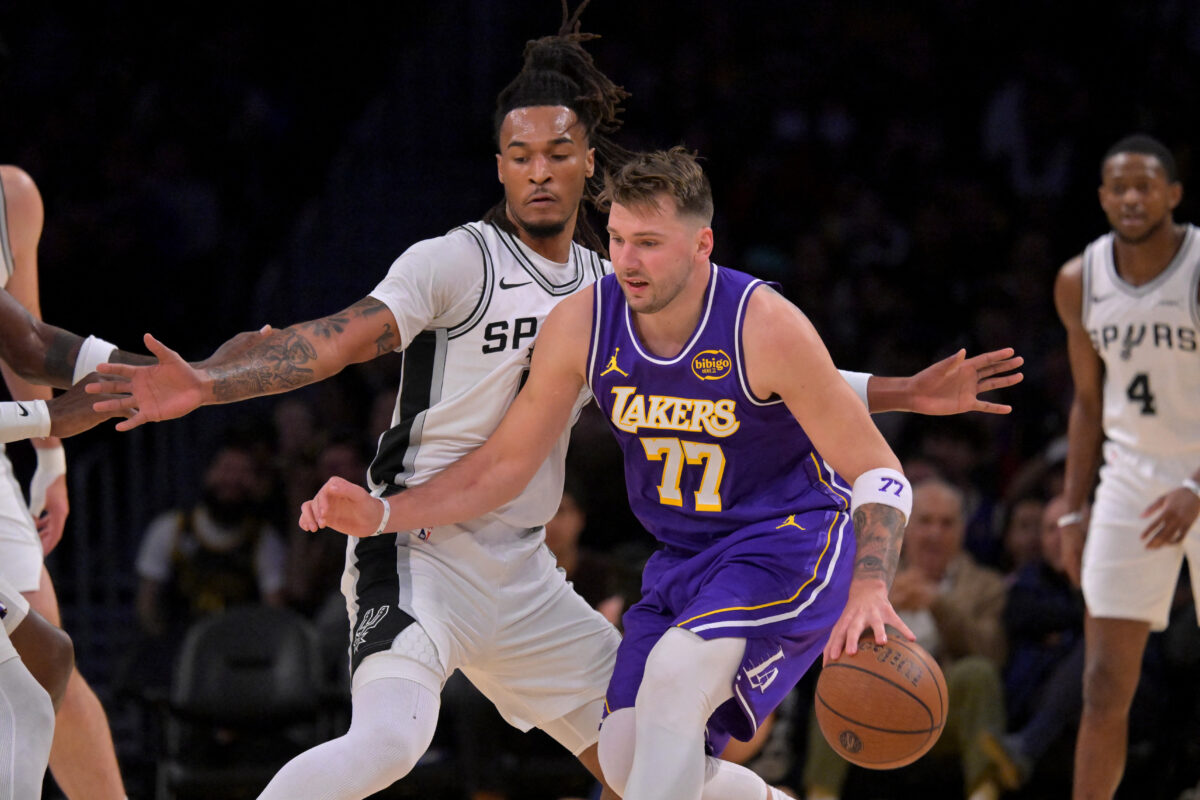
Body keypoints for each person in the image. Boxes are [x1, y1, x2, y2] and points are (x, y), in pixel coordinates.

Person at [88, 13, 1023, 797]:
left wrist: (902, 392)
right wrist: (209, 381)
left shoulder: (610, 281)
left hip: (524, 568)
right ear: (499, 167)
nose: (539, 171)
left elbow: (762, 381)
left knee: (639, 760)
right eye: (520, 154)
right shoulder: (456, 262)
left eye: (559, 153)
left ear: (589, 168)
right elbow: (331, 338)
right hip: (415, 545)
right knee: (389, 745)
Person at [294, 146, 923, 800]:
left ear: (702, 243)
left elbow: (879, 470)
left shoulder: (762, 325)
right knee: (625, 759)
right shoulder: (587, 322)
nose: (627, 259)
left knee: (678, 678)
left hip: (786, 544)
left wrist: (871, 585)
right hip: (684, 560)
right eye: (619, 238)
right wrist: (389, 512)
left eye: (649, 243)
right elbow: (507, 463)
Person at [1054, 133, 1200, 800]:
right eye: (1120, 186)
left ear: (1172, 194)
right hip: (1132, 474)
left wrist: (1195, 486)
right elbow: (1088, 401)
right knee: (1104, 682)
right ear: (1103, 198)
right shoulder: (1079, 280)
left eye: (1146, 185)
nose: (1133, 197)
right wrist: (1072, 506)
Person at [803, 478, 1010, 800]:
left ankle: (984, 792)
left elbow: (993, 653)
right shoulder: (869, 579)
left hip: (943, 708)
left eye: (947, 523)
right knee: (840, 675)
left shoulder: (985, 583)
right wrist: (884, 607)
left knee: (978, 673)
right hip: (874, 703)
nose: (935, 534)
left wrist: (939, 605)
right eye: (925, 521)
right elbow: (823, 643)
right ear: (905, 528)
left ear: (962, 530)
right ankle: (821, 793)